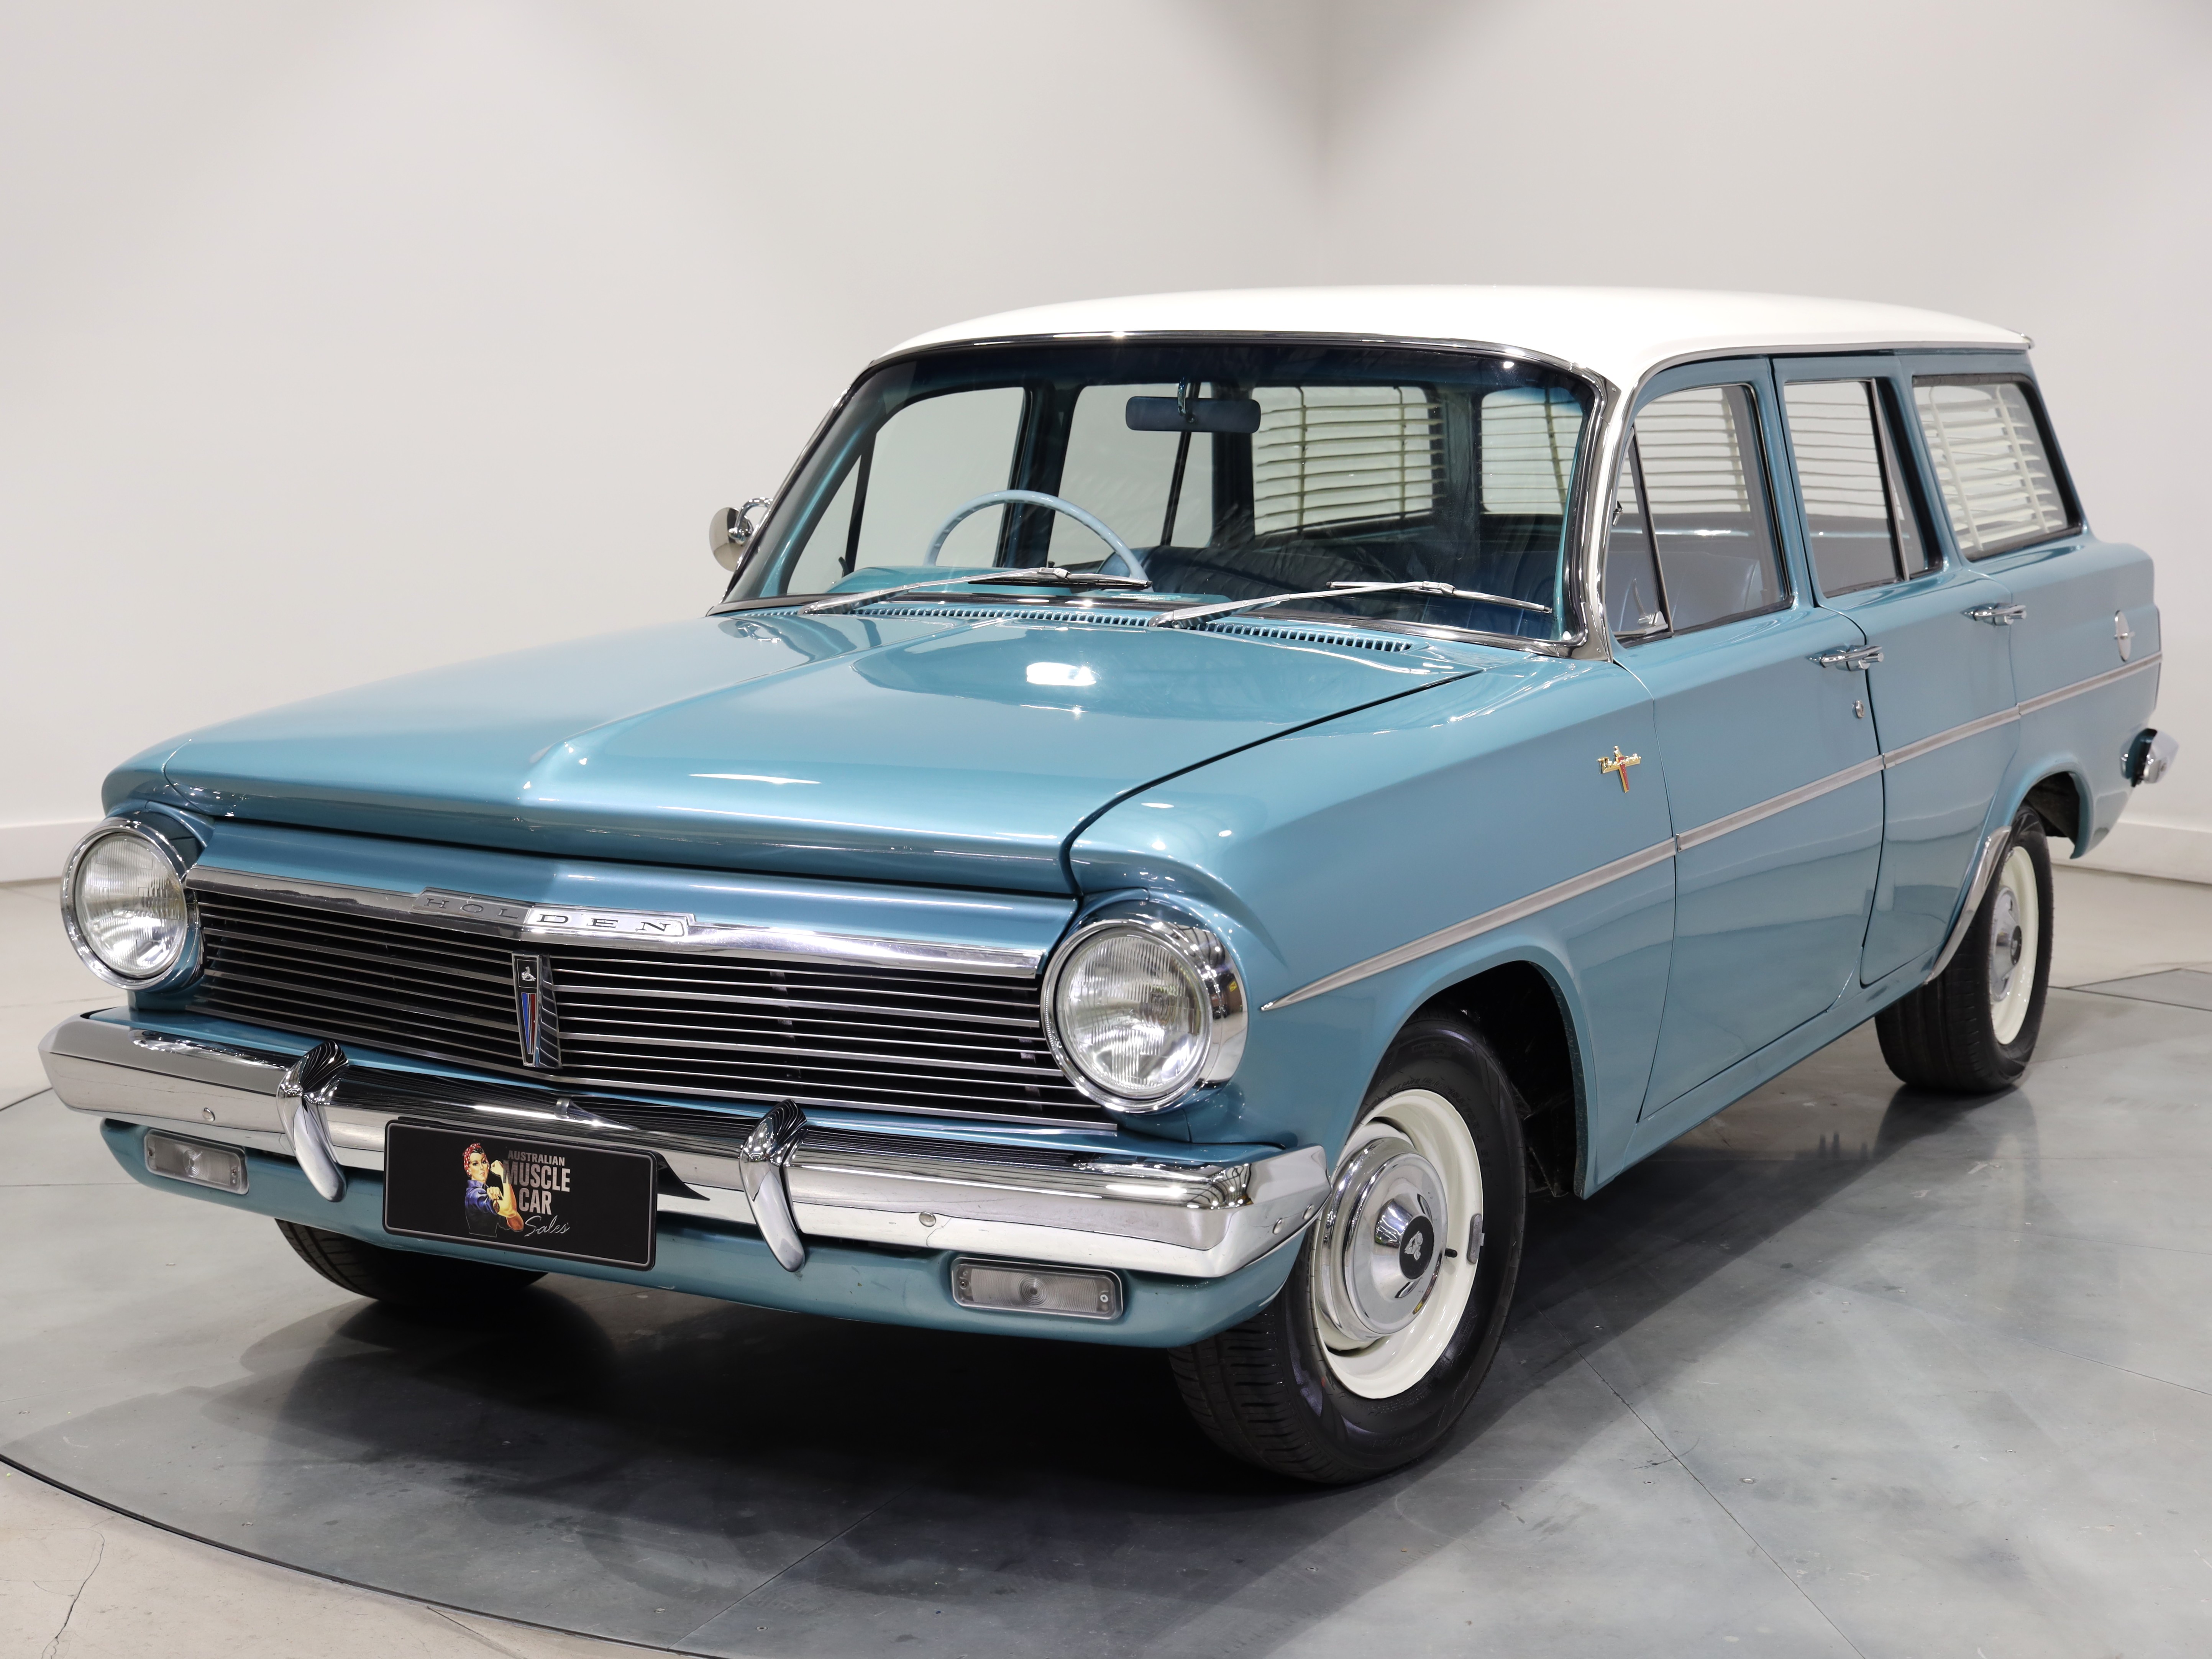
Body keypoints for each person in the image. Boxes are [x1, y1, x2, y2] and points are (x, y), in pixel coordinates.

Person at [461, 1142, 524, 1238]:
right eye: (475, 1164)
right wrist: (504, 1174)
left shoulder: (488, 1192)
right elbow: (510, 1210)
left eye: (484, 1162)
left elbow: (518, 1226)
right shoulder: (474, 1194)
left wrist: (501, 1199)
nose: (482, 1168)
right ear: (469, 1170)